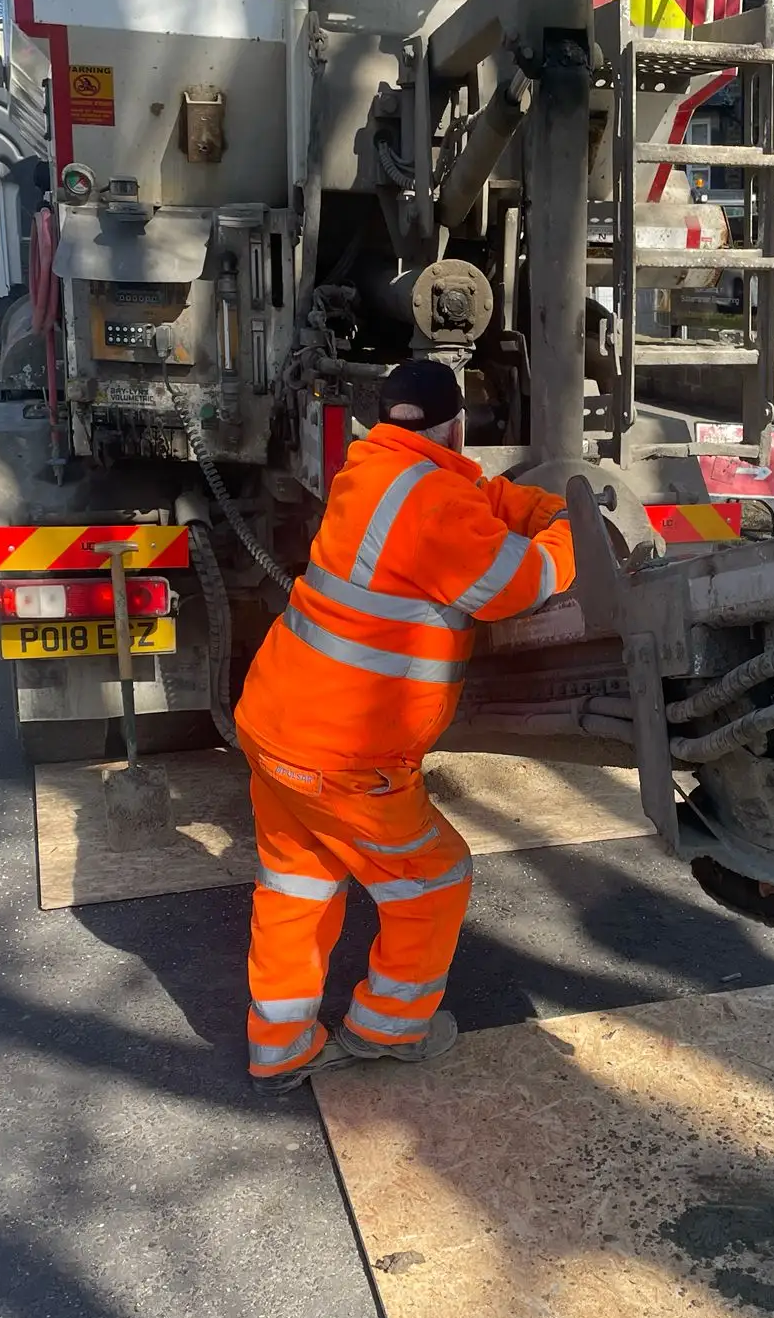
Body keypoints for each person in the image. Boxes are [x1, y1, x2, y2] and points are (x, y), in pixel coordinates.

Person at [234, 358, 578, 1093]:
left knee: (298, 885)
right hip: (346, 751)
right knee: (432, 881)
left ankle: (280, 1047)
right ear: (458, 425)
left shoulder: (373, 470)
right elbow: (517, 585)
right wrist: (573, 535)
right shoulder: (431, 503)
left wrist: (529, 505)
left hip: (276, 724)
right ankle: (389, 1030)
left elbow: (471, 495)